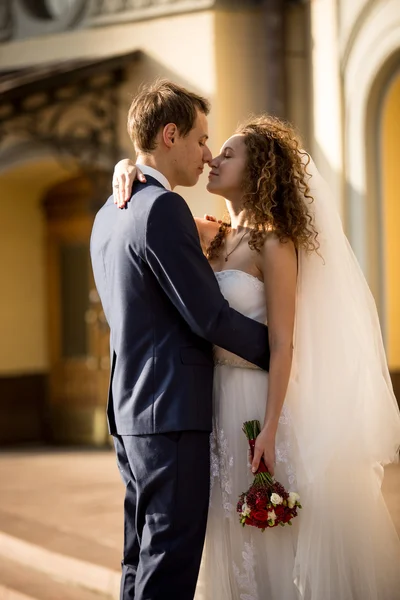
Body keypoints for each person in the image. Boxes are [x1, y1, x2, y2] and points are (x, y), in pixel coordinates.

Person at [113, 114, 400, 599]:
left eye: (227, 152)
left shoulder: (275, 244)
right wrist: (125, 166)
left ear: (260, 168)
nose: (212, 158)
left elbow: (285, 343)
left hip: (258, 404)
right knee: (223, 532)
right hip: (210, 402)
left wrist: (268, 429)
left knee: (267, 534)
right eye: (212, 148)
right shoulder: (211, 235)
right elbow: (152, 207)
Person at [90, 81, 271, 600]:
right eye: (200, 139)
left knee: (140, 557)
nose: (207, 153)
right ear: (170, 135)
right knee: (170, 561)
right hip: (169, 413)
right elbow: (209, 317)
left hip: (131, 411)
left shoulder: (110, 212)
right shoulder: (161, 208)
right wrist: (284, 351)